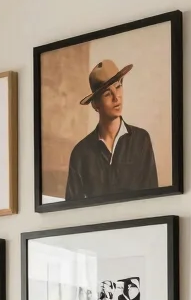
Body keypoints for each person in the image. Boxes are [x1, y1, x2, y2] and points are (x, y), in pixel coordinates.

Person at [65, 59, 158, 201]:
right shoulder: (81, 153)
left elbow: (153, 199)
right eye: (107, 93)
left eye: (118, 87)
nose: (116, 97)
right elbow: (71, 209)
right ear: (95, 104)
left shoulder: (141, 140)